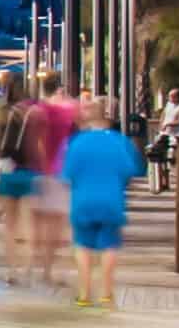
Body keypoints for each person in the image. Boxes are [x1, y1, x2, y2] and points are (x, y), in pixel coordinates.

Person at [60, 98, 143, 309]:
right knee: (109, 246)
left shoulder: (77, 142)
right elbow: (130, 171)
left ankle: (85, 293)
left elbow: (68, 175)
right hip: (111, 200)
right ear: (107, 117)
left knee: (83, 246)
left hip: (83, 201)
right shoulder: (119, 142)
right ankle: (107, 294)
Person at [28, 75, 81, 288]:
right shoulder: (69, 109)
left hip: (40, 170)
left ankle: (34, 266)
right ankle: (50, 271)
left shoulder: (38, 110)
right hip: (61, 171)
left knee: (39, 224)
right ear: (60, 87)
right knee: (58, 226)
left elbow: (34, 141)